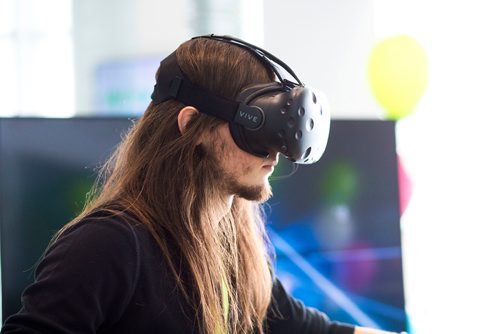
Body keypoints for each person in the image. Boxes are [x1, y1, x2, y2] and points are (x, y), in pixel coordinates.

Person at [1, 35, 403, 334]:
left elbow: (306, 329)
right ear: (192, 125)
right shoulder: (110, 244)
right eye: (257, 129)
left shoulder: (233, 248)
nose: (276, 151)